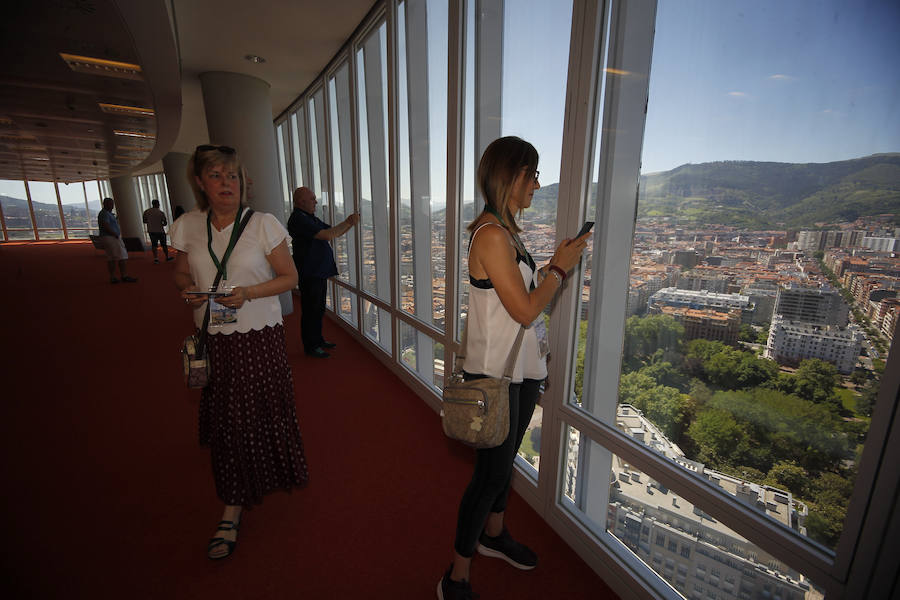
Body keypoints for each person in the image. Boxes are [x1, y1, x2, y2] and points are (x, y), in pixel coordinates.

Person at [437, 137, 589, 600]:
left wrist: (548, 270)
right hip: (496, 376)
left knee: (502, 470)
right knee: (488, 475)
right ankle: (455, 576)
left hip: (519, 371)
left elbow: (517, 305)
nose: (538, 185)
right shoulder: (491, 236)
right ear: (513, 176)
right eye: (533, 174)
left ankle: (494, 535)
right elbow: (525, 311)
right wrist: (559, 270)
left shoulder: (506, 233)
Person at [169, 144, 309, 560]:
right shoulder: (187, 226)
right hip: (214, 334)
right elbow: (180, 272)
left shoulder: (263, 224)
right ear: (200, 182)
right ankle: (234, 499)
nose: (226, 183)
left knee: (255, 411)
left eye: (232, 176)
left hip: (258, 335)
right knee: (230, 417)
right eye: (216, 175)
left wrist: (247, 292)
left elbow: (289, 277)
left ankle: (242, 495)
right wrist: (186, 292)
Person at [286, 186, 360, 358]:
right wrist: (349, 222)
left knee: (318, 309)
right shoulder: (298, 219)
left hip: (317, 271)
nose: (316, 201)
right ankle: (311, 346)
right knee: (311, 310)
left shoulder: (309, 218)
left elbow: (333, 232)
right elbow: (327, 235)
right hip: (310, 272)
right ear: (301, 201)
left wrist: (350, 223)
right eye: (312, 198)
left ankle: (318, 340)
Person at [97, 197, 137, 283]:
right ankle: (124, 275)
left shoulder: (105, 213)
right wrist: (114, 234)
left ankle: (113, 277)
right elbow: (106, 225)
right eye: (111, 204)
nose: (112, 206)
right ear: (106, 204)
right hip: (112, 237)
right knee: (121, 256)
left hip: (109, 237)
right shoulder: (105, 214)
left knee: (112, 257)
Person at [142, 199, 174, 263]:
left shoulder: (146, 212)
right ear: (158, 204)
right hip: (160, 231)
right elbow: (165, 223)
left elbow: (144, 221)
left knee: (154, 245)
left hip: (151, 231)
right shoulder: (160, 212)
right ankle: (167, 257)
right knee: (164, 245)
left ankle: (156, 258)